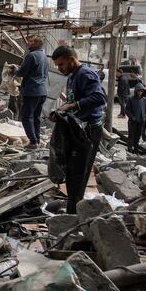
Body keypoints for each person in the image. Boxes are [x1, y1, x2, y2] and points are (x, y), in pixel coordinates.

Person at [50, 46, 107, 214]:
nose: (60, 69)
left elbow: (99, 98)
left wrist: (73, 106)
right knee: (72, 171)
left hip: (88, 130)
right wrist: (61, 112)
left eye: (61, 64)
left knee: (79, 173)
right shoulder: (72, 77)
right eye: (57, 66)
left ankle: (74, 212)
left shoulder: (85, 74)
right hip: (77, 128)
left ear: (71, 59)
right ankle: (72, 209)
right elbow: (73, 101)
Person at [15, 35, 49, 149]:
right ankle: (37, 140)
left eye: (30, 41)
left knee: (26, 117)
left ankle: (33, 142)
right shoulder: (44, 56)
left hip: (32, 91)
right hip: (42, 91)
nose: (28, 43)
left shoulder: (31, 55)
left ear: (36, 44)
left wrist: (15, 70)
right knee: (36, 117)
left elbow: (22, 72)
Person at [125, 84, 146, 153]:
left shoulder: (144, 100)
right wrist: (132, 117)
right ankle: (130, 149)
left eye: (141, 91)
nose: (140, 93)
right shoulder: (131, 99)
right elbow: (127, 110)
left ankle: (136, 149)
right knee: (131, 136)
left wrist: (145, 117)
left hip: (141, 121)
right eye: (139, 91)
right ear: (136, 91)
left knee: (138, 136)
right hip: (132, 121)